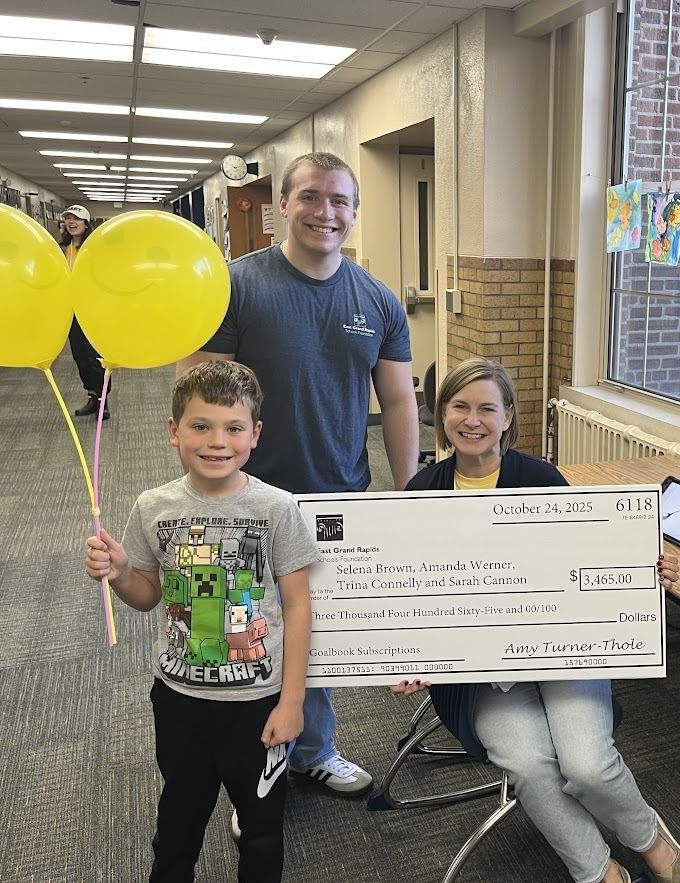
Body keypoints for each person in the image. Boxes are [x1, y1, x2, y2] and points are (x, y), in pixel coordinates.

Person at [394, 357, 680, 883]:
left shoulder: (541, 479)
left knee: (587, 767)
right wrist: (410, 658)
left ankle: (648, 838)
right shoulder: (420, 494)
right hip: (480, 675)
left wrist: (643, 569)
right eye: (459, 407)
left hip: (563, 653)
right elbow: (405, 597)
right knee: (530, 767)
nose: (473, 420)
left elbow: (586, 560)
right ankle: (600, 872)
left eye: (487, 408)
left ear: (508, 416)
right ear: (441, 414)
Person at [177, 151, 419, 798]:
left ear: (354, 213)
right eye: (311, 196)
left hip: (337, 497)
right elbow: (196, 396)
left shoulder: (377, 300)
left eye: (340, 200)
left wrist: (411, 494)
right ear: (282, 204)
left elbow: (397, 402)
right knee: (242, 642)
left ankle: (312, 748)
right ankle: (249, 773)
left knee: (314, 639)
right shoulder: (236, 286)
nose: (325, 212)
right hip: (246, 502)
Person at [83, 361, 314, 882]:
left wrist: (293, 701)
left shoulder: (277, 509)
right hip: (180, 700)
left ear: (255, 434)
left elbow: (298, 605)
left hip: (258, 704)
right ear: (173, 431)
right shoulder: (154, 507)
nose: (217, 441)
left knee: (260, 831)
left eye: (233, 428)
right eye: (200, 426)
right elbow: (146, 597)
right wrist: (120, 572)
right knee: (178, 825)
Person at [61, 205, 111, 419]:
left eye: (77, 219)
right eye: (68, 219)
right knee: (79, 355)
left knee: (95, 356)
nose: (72, 222)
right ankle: (91, 395)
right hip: (70, 309)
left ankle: (103, 401)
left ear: (86, 223)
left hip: (92, 308)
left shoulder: (94, 247)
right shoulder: (62, 248)